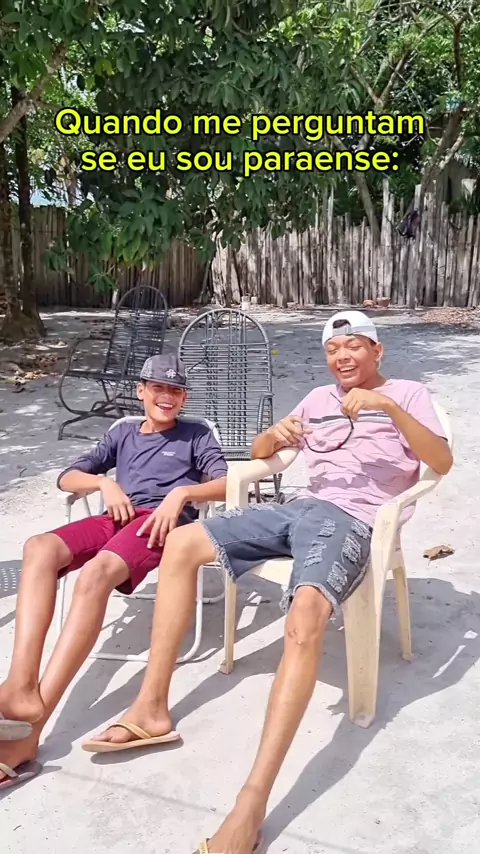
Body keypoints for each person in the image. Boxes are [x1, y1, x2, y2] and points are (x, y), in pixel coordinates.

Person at [85, 311, 453, 854]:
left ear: (377, 351)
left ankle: (251, 805)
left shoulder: (409, 394)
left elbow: (441, 461)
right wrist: (275, 434)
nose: (342, 357)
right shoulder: (318, 399)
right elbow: (263, 453)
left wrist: (390, 409)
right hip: (299, 507)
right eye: (334, 349)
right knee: (183, 543)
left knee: (304, 617)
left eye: (354, 346)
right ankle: (151, 708)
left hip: (355, 520)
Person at [0, 354, 228, 788]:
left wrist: (181, 494)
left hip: (157, 524)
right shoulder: (123, 432)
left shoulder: (196, 435)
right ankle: (19, 686)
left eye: (176, 390)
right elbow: (68, 477)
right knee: (38, 547)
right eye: (158, 388)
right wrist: (105, 482)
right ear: (141, 391)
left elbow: (225, 482)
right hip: (115, 516)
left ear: (184, 398)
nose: (167, 396)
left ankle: (29, 734)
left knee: (96, 574)